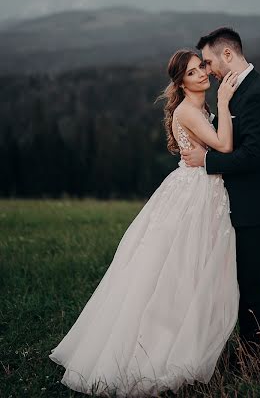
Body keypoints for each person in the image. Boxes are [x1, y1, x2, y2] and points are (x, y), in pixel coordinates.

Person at [49, 49, 240, 397]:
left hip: (203, 189)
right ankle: (160, 350)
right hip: (193, 195)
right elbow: (224, 146)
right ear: (180, 82)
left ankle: (192, 339)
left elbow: (210, 152)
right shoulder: (188, 110)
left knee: (196, 269)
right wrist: (225, 101)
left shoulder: (200, 107)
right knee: (178, 269)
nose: (201, 75)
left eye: (202, 69)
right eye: (192, 72)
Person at [181, 27, 260, 366]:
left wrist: (208, 161)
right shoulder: (235, 89)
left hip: (256, 206)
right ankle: (247, 349)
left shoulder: (255, 93)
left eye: (209, 62)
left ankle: (257, 359)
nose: (208, 70)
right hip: (242, 204)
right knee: (241, 281)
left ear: (228, 55)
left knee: (254, 283)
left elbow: (255, 155)